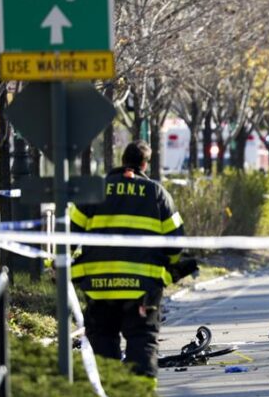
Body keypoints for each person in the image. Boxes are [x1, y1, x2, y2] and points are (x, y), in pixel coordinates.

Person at [70, 141, 196, 379]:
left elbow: (67, 236)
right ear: (144, 164)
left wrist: (57, 266)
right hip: (142, 291)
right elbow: (177, 244)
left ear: (122, 160)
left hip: (99, 289)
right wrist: (167, 272)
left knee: (103, 344)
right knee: (141, 343)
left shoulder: (94, 192)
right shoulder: (157, 193)